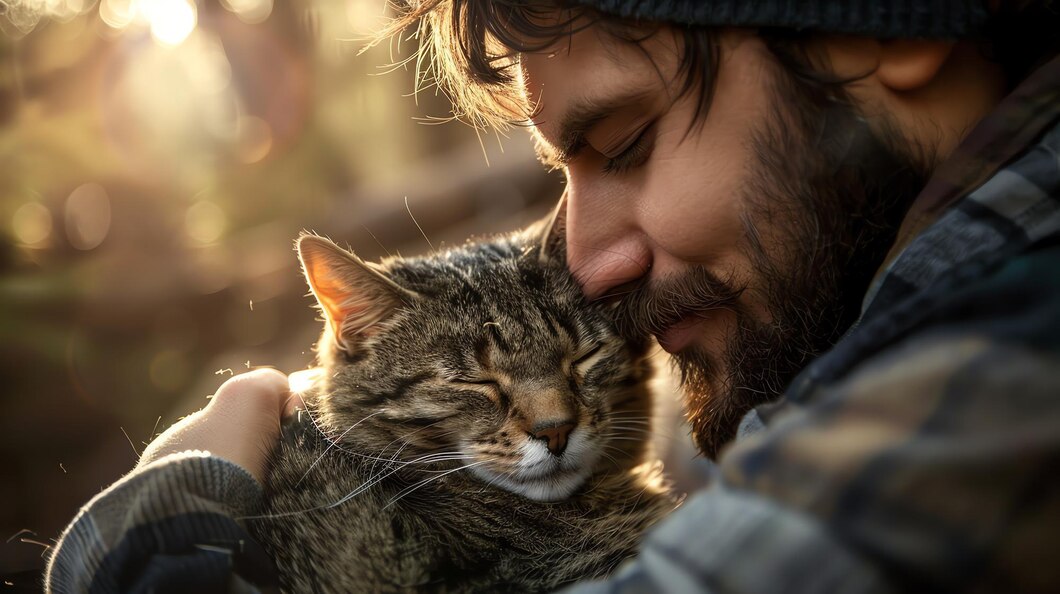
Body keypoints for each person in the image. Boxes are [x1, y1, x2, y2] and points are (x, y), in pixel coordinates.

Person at [47, 0, 1060, 592]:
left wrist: (153, 548)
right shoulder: (925, 315)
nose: (590, 261)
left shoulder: (1013, 362)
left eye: (626, 142)